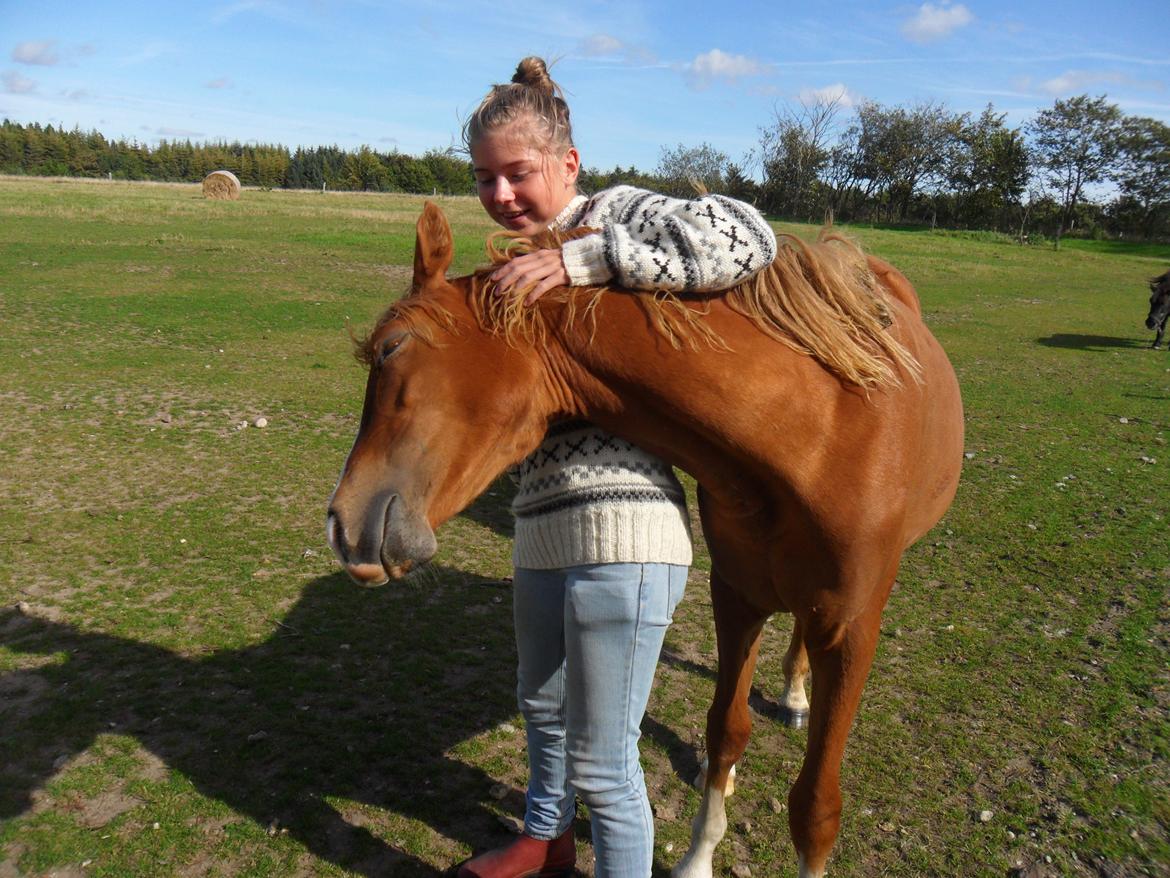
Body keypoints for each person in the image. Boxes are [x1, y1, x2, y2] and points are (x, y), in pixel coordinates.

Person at [457, 57, 777, 878]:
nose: (499, 195)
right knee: (541, 712)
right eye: (484, 178)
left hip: (626, 524)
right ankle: (543, 843)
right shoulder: (510, 258)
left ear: (567, 162)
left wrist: (585, 261)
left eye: (517, 173)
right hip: (539, 523)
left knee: (605, 765)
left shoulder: (613, 212)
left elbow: (748, 236)